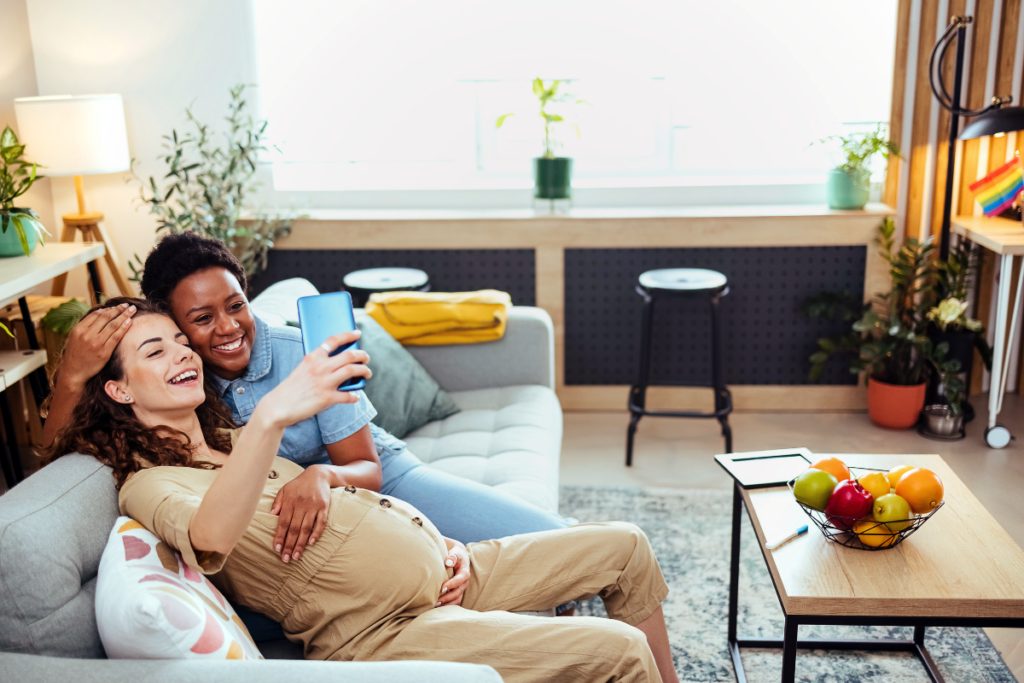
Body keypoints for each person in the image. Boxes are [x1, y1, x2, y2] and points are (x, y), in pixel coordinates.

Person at [43, 299, 678, 683]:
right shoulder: (150, 486)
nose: (183, 352)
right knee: (615, 651)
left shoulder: (231, 438)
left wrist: (437, 544)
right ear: (121, 390)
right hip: (382, 632)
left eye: (180, 341)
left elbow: (353, 501)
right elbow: (211, 534)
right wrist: (273, 417)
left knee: (626, 545)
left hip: (453, 569)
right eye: (155, 351)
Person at [41, 232, 575, 633]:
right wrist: (71, 375)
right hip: (325, 527)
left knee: (560, 547)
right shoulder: (183, 391)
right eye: (200, 320)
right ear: (176, 327)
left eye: (236, 306)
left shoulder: (296, 353)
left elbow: (368, 469)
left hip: (380, 477)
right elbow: (63, 457)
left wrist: (321, 475)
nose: (227, 328)